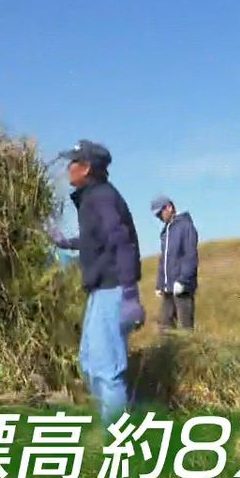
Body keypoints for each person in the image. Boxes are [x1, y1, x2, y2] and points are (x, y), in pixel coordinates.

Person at [47, 140, 144, 423]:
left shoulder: (101, 197)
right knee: (89, 362)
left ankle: (115, 439)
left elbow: (121, 241)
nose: (68, 169)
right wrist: (67, 242)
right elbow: (97, 239)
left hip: (113, 289)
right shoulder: (93, 197)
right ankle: (109, 421)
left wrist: (129, 294)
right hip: (100, 290)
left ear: (86, 168)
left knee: (106, 368)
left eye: (72, 163)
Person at [150, 195, 199, 333]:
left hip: (182, 288)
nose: (159, 217)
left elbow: (190, 256)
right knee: (165, 329)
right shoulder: (166, 231)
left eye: (161, 212)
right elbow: (163, 260)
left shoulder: (186, 227)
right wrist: (160, 284)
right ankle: (167, 354)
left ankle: (188, 354)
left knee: (185, 329)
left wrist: (183, 281)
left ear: (169, 207)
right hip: (168, 288)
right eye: (157, 215)